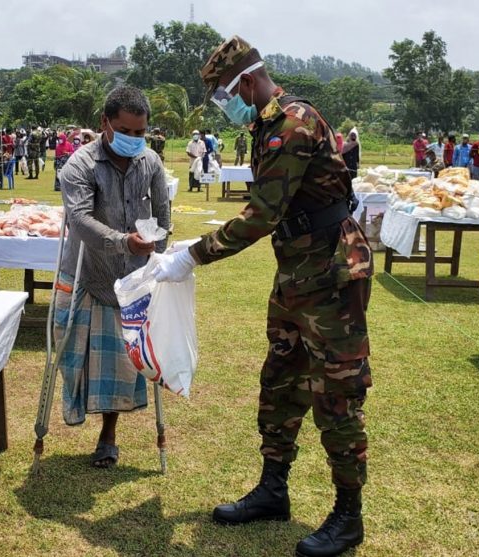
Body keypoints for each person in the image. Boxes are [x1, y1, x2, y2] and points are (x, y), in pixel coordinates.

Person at [154, 36, 372, 557]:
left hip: (333, 274)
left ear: (247, 82)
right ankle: (274, 488)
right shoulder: (267, 125)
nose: (225, 106)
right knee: (280, 379)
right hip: (297, 271)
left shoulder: (292, 124)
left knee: (336, 394)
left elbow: (263, 214)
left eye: (225, 94)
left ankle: (348, 516)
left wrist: (193, 255)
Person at [56, 85, 170, 469]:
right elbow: (80, 221)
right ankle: (79, 413)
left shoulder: (151, 163)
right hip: (90, 274)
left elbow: (165, 219)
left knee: (122, 362)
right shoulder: (80, 166)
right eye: (127, 131)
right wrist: (124, 242)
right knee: (78, 357)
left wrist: (159, 249)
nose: (135, 140)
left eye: (141, 133)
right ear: (105, 123)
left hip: (134, 280)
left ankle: (109, 434)